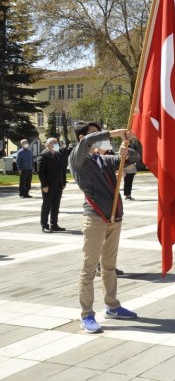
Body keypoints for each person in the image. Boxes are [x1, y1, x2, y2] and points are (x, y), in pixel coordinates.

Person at [69, 122, 140, 334]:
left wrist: (127, 148)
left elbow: (133, 159)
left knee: (109, 266)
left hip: (113, 217)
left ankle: (112, 306)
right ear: (82, 138)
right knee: (89, 267)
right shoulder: (78, 158)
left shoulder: (102, 159)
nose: (100, 137)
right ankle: (87, 314)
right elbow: (91, 140)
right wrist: (115, 133)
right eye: (93, 134)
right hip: (95, 218)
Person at [38, 137, 67, 232]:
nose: (56, 144)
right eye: (53, 143)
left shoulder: (58, 154)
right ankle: (45, 226)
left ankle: (54, 224)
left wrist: (63, 181)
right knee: (46, 205)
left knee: (56, 205)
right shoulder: (43, 155)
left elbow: (62, 169)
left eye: (56, 142)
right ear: (48, 144)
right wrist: (44, 185)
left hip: (58, 185)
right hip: (48, 186)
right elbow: (40, 172)